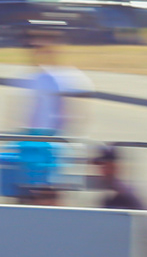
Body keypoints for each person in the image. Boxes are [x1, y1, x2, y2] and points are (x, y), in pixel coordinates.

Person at [15, 24, 91, 204]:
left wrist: (65, 139)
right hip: (31, 138)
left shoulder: (68, 77)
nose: (38, 52)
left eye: (43, 47)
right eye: (34, 47)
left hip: (53, 139)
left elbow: (74, 113)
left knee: (51, 190)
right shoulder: (31, 77)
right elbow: (27, 111)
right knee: (27, 189)